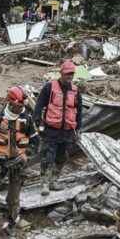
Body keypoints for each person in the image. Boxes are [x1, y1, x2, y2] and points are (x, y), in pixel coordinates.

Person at [0, 87, 39, 239]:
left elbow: (35, 142)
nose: (20, 108)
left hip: (18, 164)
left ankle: (12, 221)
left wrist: (27, 156)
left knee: (13, 198)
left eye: (21, 106)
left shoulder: (27, 119)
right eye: (17, 106)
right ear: (10, 103)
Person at [33, 60, 83, 195]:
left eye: (71, 74)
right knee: (47, 157)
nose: (69, 77)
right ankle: (44, 183)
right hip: (51, 130)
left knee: (62, 157)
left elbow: (79, 111)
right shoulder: (49, 87)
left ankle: (54, 181)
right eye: (67, 74)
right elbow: (39, 105)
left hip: (67, 131)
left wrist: (78, 128)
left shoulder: (75, 91)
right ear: (61, 73)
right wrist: (37, 122)